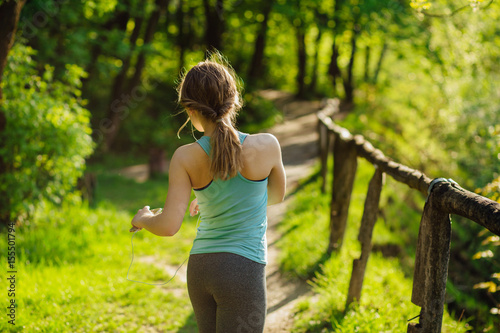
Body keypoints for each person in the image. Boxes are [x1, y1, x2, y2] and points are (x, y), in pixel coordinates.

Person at [130, 53, 286, 332]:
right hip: (243, 270)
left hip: (201, 270)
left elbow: (168, 226)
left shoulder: (184, 157)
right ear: (234, 99)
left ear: (190, 110)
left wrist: (142, 218)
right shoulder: (267, 145)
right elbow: (275, 197)